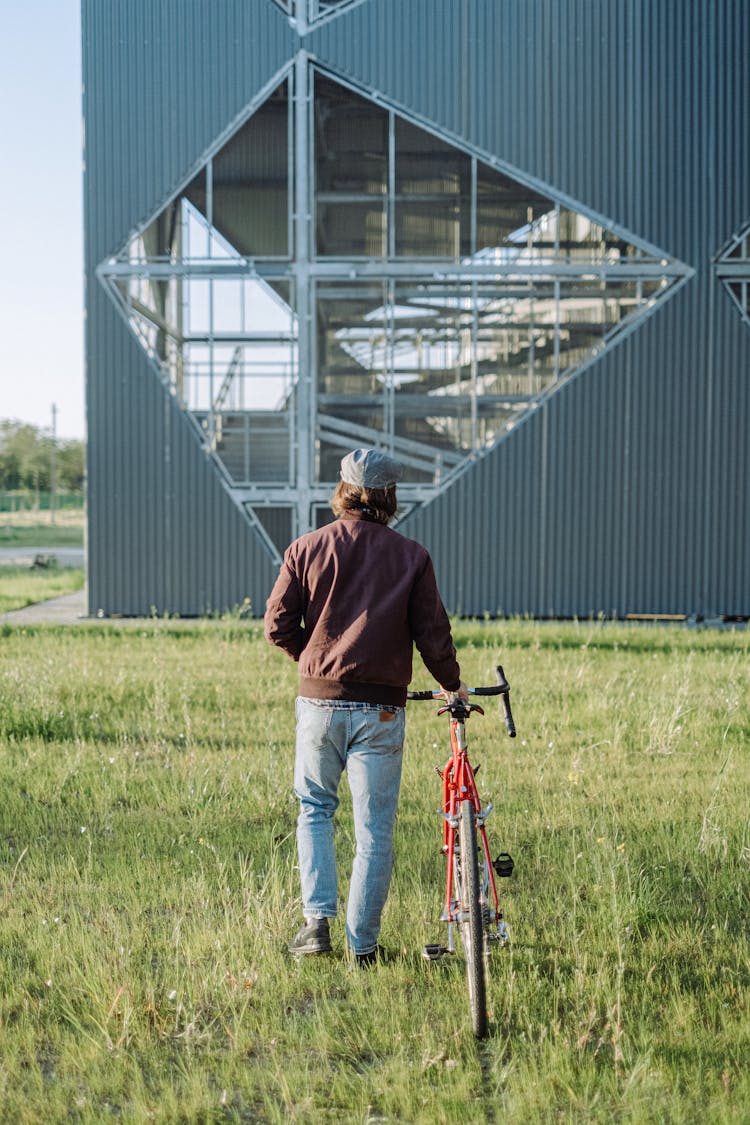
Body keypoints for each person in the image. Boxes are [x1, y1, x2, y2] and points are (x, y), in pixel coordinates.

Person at [264, 448, 467, 964]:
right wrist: (453, 685)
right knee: (373, 830)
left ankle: (316, 926)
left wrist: (313, 661)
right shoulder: (412, 556)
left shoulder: (305, 548)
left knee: (314, 810)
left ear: (343, 490)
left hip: (319, 705)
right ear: (390, 496)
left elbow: (277, 626)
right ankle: (364, 948)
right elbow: (433, 635)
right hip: (380, 711)